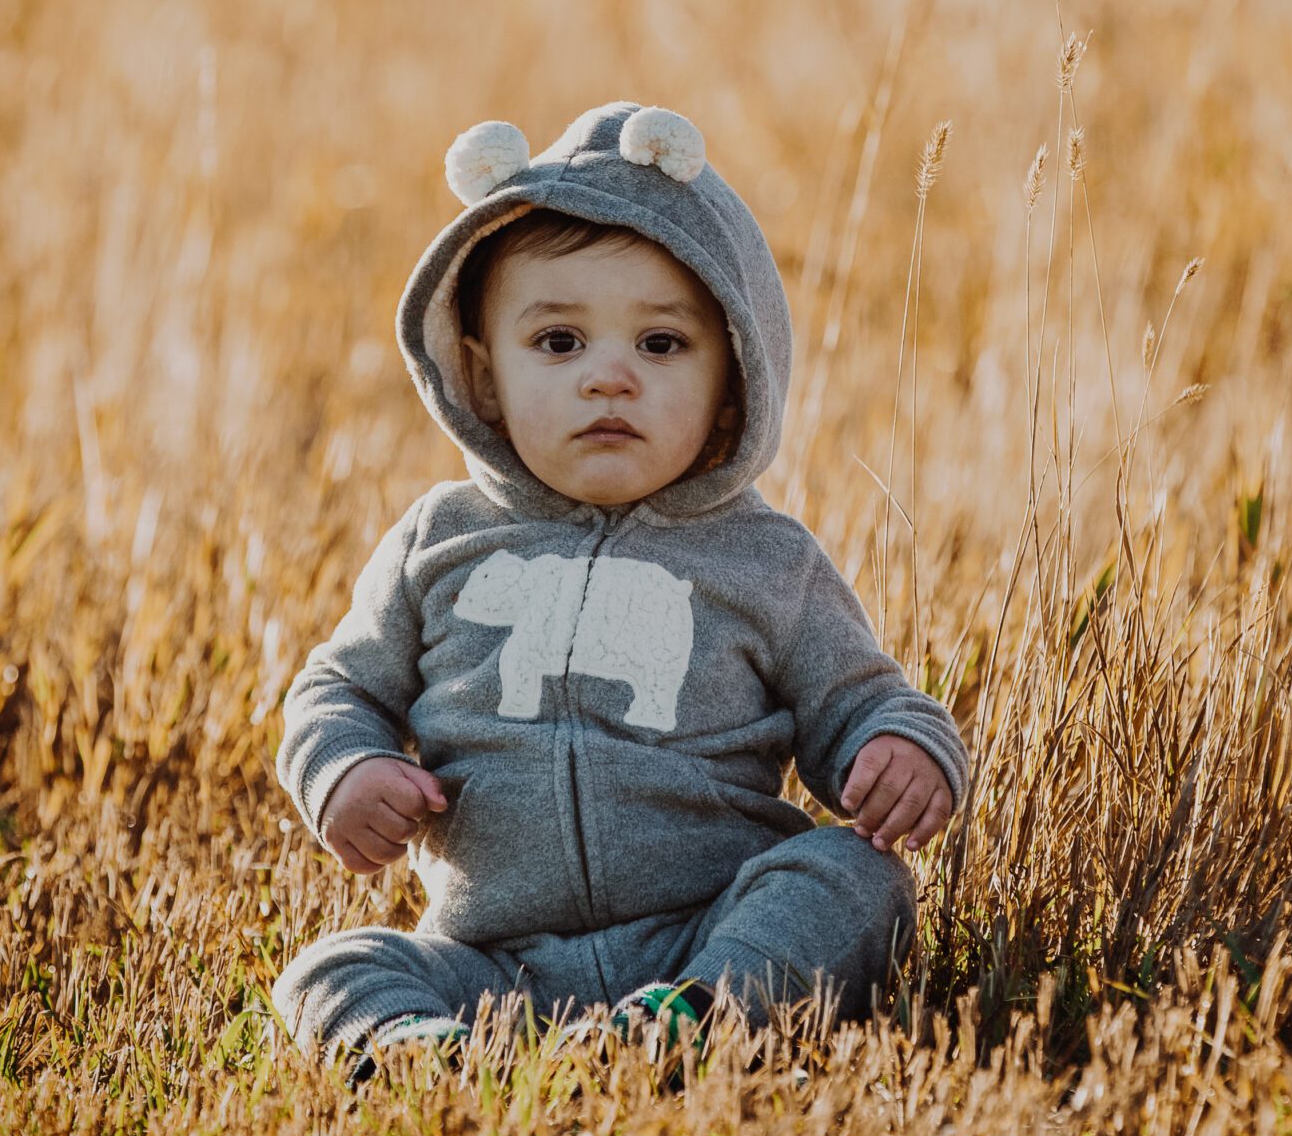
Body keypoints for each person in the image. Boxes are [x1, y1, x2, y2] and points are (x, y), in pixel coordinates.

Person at [272, 101, 965, 1082]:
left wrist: (899, 749)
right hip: (491, 957)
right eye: (558, 343)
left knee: (855, 879)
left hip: (707, 931)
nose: (609, 379)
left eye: (661, 345)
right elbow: (335, 690)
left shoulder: (766, 560)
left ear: (734, 378)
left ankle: (699, 1020)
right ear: (483, 372)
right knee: (334, 968)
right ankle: (424, 1056)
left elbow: (859, 700)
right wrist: (342, 769)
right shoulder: (440, 540)